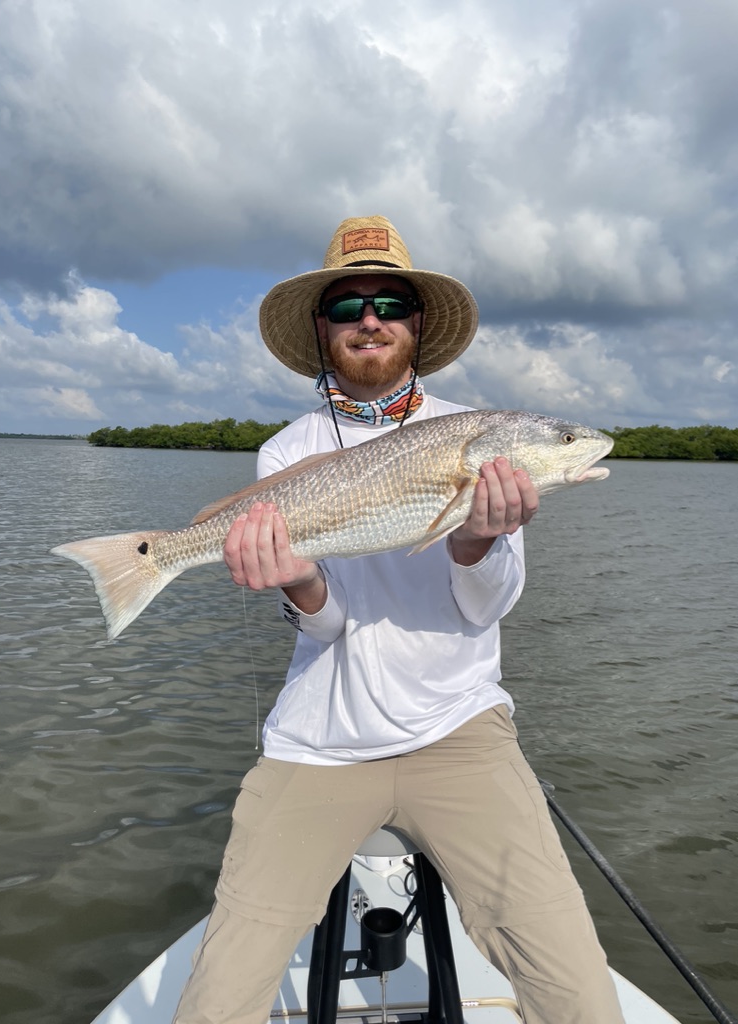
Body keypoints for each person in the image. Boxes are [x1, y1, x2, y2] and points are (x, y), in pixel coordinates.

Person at [172, 216, 625, 1024]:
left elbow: (487, 605)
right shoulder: (287, 451)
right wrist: (300, 582)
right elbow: (326, 626)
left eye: (389, 302)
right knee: (214, 1002)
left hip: (460, 731)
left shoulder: (478, 435)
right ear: (322, 330)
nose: (369, 319)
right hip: (318, 741)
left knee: (580, 999)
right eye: (347, 307)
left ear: (417, 325)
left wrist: (479, 533)